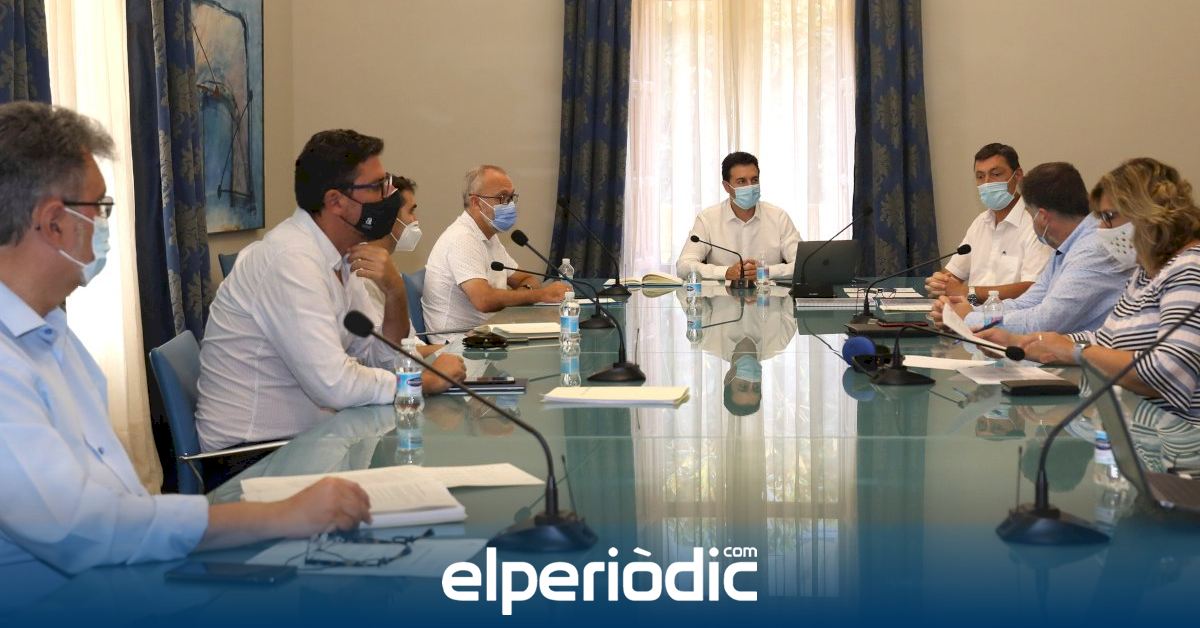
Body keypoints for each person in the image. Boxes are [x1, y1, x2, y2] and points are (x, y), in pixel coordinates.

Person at [0, 102, 372, 577]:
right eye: (100, 209)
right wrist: (279, 516)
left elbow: (118, 502)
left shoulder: (53, 333)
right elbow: (83, 530)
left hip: (121, 576)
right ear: (54, 222)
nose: (105, 226)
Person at [196, 130, 465, 452]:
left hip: (313, 440)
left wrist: (394, 292)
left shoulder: (341, 257)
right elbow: (333, 384)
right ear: (336, 201)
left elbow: (378, 355)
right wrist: (422, 382)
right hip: (251, 453)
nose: (388, 197)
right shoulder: (291, 261)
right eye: (377, 186)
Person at [979, 158, 1200, 421]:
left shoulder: (1189, 269)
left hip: (1179, 436)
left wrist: (1072, 351)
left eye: (1108, 217)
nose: (1101, 229)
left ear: (1147, 213)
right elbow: (1105, 341)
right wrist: (1028, 342)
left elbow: (1169, 374)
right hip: (1135, 424)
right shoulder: (1146, 272)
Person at [930, 162, 1132, 333]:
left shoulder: (1092, 251)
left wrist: (969, 318)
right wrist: (966, 313)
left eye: (1030, 212)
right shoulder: (1067, 247)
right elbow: (1029, 301)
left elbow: (1045, 321)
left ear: (1042, 216)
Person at [422, 164, 569, 342]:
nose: (510, 205)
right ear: (476, 203)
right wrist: (542, 295)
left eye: (511, 197)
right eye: (502, 198)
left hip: (488, 334)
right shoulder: (462, 239)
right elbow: (483, 300)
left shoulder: (489, 236)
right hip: (458, 343)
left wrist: (525, 292)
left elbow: (527, 279)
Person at [926, 143, 1053, 301]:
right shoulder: (980, 222)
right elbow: (953, 274)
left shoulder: (1036, 224)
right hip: (971, 311)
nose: (987, 183)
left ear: (1018, 175)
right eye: (980, 177)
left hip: (1011, 314)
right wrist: (940, 282)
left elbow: (1032, 288)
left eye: (996, 174)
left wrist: (968, 293)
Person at [676, 151, 802, 282]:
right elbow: (683, 266)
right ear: (727, 187)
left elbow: (803, 264)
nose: (750, 186)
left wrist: (764, 272)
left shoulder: (778, 217)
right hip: (721, 295)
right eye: (741, 181)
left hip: (768, 294)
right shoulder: (708, 218)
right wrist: (725, 272)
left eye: (754, 180)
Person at [362, 175, 420, 314]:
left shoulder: (383, 264)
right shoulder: (365, 271)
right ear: (389, 216)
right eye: (411, 211)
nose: (415, 220)